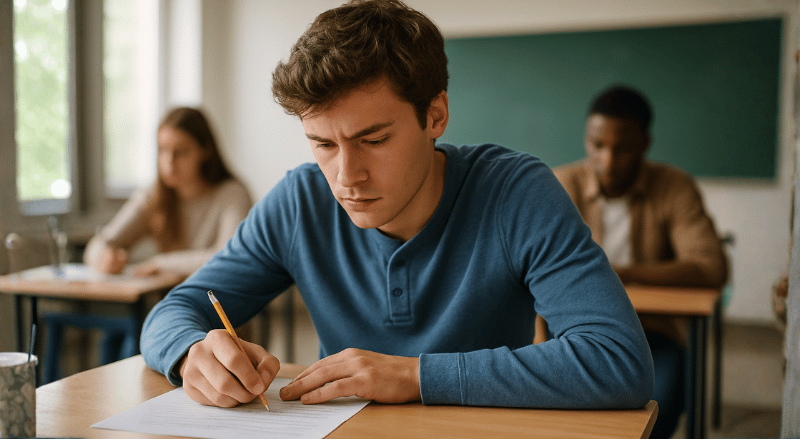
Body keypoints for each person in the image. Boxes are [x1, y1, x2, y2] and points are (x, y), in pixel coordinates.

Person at [141, 0, 654, 410]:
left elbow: (618, 360)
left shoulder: (515, 192)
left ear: (436, 116)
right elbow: (174, 312)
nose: (346, 176)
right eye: (323, 144)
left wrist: (414, 376)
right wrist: (191, 353)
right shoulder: (299, 201)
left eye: (374, 139)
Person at [553, 85, 728, 439]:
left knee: (657, 409)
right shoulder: (559, 184)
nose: (607, 160)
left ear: (645, 145)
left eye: (622, 149)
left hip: (653, 334)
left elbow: (711, 266)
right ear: (586, 139)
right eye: (597, 145)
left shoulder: (674, 186)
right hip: (572, 331)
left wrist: (617, 274)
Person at [84, 107, 252, 278]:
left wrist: (161, 264)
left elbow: (231, 257)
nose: (169, 162)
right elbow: (99, 243)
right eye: (162, 150)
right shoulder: (152, 196)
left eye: (181, 152)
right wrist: (104, 259)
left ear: (205, 151)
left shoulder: (232, 195)